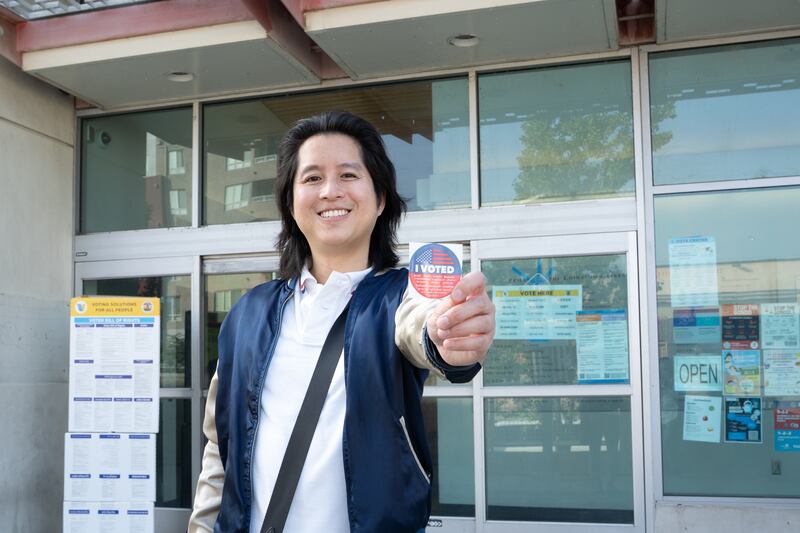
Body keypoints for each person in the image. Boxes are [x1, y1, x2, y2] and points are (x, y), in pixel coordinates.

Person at [188, 111, 495, 533]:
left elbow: (420, 326)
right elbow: (220, 448)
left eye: (349, 175)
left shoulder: (401, 296)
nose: (331, 191)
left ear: (381, 198)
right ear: (291, 204)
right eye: (312, 178)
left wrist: (447, 337)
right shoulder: (248, 313)